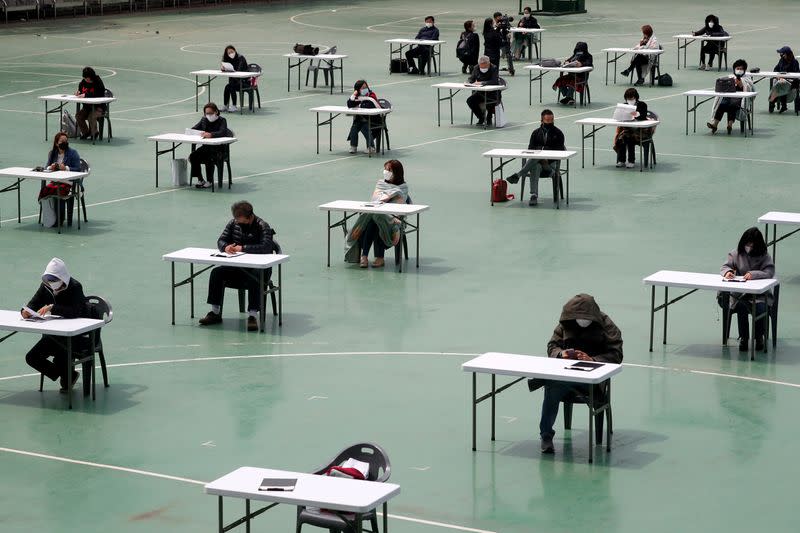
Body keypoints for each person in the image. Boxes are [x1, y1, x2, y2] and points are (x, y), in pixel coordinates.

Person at [531, 294, 623, 454]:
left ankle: (599, 437)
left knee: (554, 385)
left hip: (593, 381)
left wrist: (593, 359)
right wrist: (561, 354)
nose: (581, 321)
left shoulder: (607, 326)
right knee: (551, 388)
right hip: (566, 376)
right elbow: (552, 345)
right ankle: (546, 436)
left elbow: (616, 354)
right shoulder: (566, 323)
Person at [199, 201, 278, 332]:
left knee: (255, 277)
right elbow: (221, 240)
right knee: (216, 273)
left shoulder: (263, 226)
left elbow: (266, 247)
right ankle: (215, 312)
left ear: (250, 217)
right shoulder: (233, 223)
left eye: (241, 220)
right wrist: (226, 247)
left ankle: (252, 315)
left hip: (260, 270)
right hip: (237, 267)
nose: (238, 222)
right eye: (236, 219)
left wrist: (243, 248)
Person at [22, 258, 90, 392]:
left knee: (61, 356)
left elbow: (76, 312)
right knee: (31, 357)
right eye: (49, 280)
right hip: (52, 336)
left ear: (62, 278)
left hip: (74, 337)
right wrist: (25, 312)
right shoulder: (45, 287)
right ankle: (67, 375)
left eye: (54, 280)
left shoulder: (75, 287)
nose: (51, 283)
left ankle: (67, 376)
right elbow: (33, 304)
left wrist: (53, 308)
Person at [345, 160, 409, 268]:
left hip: (394, 220)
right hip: (378, 215)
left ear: (396, 172)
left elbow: (400, 205)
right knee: (375, 218)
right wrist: (388, 196)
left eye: (389, 170)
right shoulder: (381, 184)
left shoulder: (403, 187)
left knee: (377, 220)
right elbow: (374, 200)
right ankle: (368, 256)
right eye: (385, 169)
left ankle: (369, 256)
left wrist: (388, 196)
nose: (385, 172)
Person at [721, 228, 775, 351]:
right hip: (740, 295)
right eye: (747, 243)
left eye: (752, 244)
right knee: (741, 306)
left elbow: (769, 271)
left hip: (761, 295)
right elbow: (725, 266)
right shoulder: (735, 254)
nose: (749, 246)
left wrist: (754, 274)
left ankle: (758, 337)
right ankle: (744, 338)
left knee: (761, 308)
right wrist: (728, 272)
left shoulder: (765, 256)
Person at [506, 109, 565, 206]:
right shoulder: (535, 133)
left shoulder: (558, 133)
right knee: (535, 166)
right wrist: (541, 155)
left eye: (551, 120)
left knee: (537, 157)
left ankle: (519, 175)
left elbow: (560, 151)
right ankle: (534, 195)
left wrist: (546, 157)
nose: (550, 122)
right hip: (537, 164)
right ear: (541, 121)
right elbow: (530, 149)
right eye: (547, 120)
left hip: (551, 166)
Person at [39, 132, 82, 227]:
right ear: (56, 143)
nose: (64, 143)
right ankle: (49, 218)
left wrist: (66, 168)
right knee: (45, 190)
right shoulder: (53, 153)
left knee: (58, 191)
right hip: (56, 181)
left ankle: (60, 219)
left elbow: (78, 169)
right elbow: (46, 167)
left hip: (69, 182)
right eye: (62, 141)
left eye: (66, 141)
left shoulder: (73, 153)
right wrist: (51, 167)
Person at [189, 103, 232, 189]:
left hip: (219, 149)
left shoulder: (222, 120)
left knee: (209, 158)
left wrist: (211, 134)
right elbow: (194, 128)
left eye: (211, 113)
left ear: (216, 112)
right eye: (207, 113)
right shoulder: (204, 120)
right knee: (193, 156)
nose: (209, 115)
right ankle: (200, 179)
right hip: (206, 147)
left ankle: (210, 181)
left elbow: (222, 132)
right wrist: (193, 132)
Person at [707, 59, 755, 135]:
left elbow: (750, 89)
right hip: (727, 99)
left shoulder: (747, 79)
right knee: (722, 105)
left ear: (744, 70)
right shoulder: (730, 77)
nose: (739, 70)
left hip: (739, 100)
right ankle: (714, 125)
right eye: (737, 69)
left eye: (741, 69)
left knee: (732, 105)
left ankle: (730, 125)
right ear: (734, 69)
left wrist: (741, 85)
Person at [613, 88, 649, 168]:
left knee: (629, 138)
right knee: (621, 138)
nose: (629, 100)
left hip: (640, 131)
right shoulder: (624, 105)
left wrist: (637, 114)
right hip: (627, 129)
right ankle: (621, 160)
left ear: (635, 97)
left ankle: (631, 160)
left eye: (631, 98)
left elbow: (644, 116)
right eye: (628, 98)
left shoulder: (642, 105)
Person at [346, 80, 381, 155]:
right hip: (361, 119)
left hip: (374, 119)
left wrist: (361, 102)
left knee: (364, 126)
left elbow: (369, 106)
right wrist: (353, 95)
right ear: (358, 89)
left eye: (366, 87)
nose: (365, 89)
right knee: (354, 128)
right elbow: (349, 104)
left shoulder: (371, 95)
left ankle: (371, 147)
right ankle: (353, 146)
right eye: (363, 88)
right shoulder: (358, 96)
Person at [466, 56, 501, 126]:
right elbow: (471, 78)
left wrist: (482, 83)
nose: (483, 69)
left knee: (489, 101)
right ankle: (481, 117)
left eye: (484, 67)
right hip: (480, 92)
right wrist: (468, 82)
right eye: (481, 67)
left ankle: (489, 117)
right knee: (470, 101)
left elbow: (494, 81)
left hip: (492, 93)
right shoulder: (476, 68)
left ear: (488, 64)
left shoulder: (493, 68)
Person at [75, 66, 107, 140]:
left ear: (91, 77)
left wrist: (86, 95)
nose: (86, 80)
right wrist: (78, 92)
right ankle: (86, 133)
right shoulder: (83, 82)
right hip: (87, 107)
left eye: (87, 78)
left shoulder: (98, 82)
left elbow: (99, 94)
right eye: (85, 78)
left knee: (91, 116)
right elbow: (80, 90)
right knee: (78, 116)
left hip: (99, 107)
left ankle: (94, 132)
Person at [769, 46, 799, 113]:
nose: (781, 55)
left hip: (791, 82)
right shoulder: (781, 61)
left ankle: (772, 102)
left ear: (787, 54)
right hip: (780, 80)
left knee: (781, 84)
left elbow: (797, 75)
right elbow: (775, 69)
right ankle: (783, 105)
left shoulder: (795, 62)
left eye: (782, 54)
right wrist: (778, 76)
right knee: (780, 83)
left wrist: (786, 78)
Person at [221, 45, 250, 113]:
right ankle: (225, 105)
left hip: (244, 81)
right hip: (235, 81)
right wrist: (223, 69)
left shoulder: (241, 58)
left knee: (231, 86)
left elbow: (239, 70)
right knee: (227, 87)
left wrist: (231, 70)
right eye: (229, 53)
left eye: (232, 51)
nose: (231, 54)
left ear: (235, 51)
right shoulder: (228, 59)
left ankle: (234, 106)